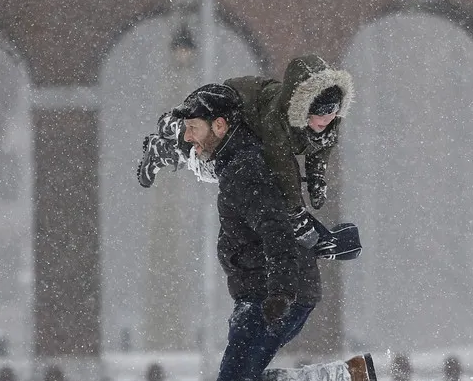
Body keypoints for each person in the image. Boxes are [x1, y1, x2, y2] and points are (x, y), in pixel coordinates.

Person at [169, 83, 378, 381]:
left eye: (193, 129)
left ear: (220, 126)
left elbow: (276, 230)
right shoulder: (236, 162)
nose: (189, 138)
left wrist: (279, 293)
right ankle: (347, 378)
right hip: (270, 291)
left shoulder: (244, 169)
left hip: (272, 294)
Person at [138, 54, 358, 259]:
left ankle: (171, 137)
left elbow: (322, 148)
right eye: (322, 111)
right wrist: (297, 212)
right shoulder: (277, 120)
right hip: (241, 116)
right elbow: (283, 165)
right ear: (304, 107)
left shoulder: (329, 122)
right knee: (215, 162)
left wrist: (317, 178)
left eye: (334, 111)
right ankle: (168, 138)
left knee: (237, 167)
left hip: (257, 131)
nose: (328, 117)